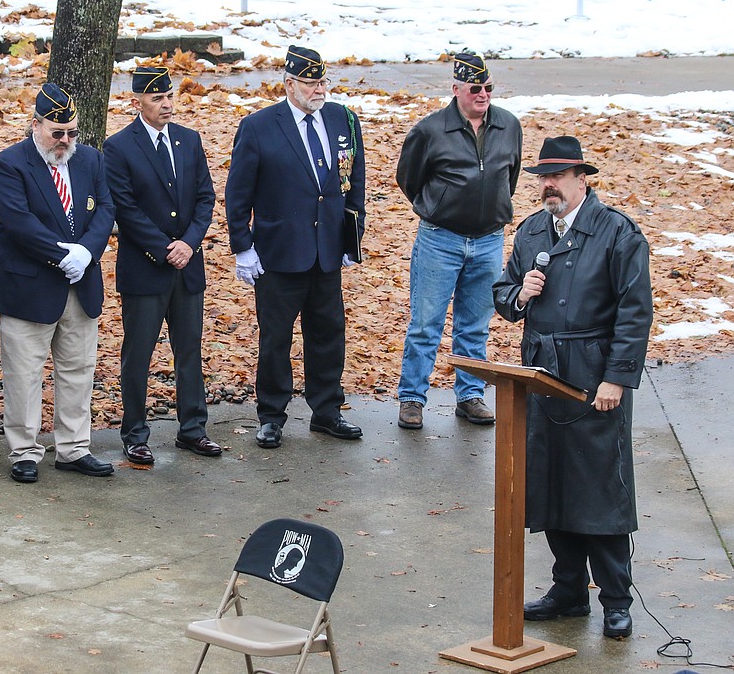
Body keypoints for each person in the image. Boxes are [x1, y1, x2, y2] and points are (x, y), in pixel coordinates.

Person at [492, 136, 653, 639]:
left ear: (583, 178)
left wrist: (616, 378)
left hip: (592, 374)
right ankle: (568, 591)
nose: (547, 186)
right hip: (542, 372)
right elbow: (503, 292)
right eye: (542, 177)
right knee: (553, 482)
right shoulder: (532, 230)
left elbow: (635, 312)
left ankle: (615, 598)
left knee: (599, 488)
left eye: (557, 177)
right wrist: (521, 294)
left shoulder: (616, 232)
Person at [224, 45, 365, 449]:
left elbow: (354, 180)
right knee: (276, 339)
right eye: (310, 82)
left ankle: (326, 410)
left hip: (326, 251)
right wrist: (242, 246)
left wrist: (351, 236)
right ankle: (271, 414)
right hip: (279, 252)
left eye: (322, 81)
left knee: (327, 334)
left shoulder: (343, 119)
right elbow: (239, 193)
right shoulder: (259, 126)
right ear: (289, 83)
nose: (319, 89)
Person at [0, 83, 116, 483]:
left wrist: (88, 252)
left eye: (72, 133)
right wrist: (65, 255)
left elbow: (107, 208)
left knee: (78, 368)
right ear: (36, 125)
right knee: (24, 373)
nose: (65, 141)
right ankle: (24, 451)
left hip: (80, 285)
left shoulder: (91, 160)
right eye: (57, 133)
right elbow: (18, 221)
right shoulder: (10, 163)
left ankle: (74, 447)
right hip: (30, 284)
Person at [395, 51, 522, 430]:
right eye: (475, 88)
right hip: (440, 239)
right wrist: (440, 207)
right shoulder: (431, 130)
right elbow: (409, 179)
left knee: (475, 324)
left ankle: (470, 395)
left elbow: (509, 176)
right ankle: (413, 398)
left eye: (488, 88)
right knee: (425, 323)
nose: (483, 95)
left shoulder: (509, 126)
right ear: (456, 89)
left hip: (488, 240)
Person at [104, 67, 220, 465]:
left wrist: (188, 244)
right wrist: (163, 248)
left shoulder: (189, 140)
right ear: (138, 101)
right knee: (138, 354)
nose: (167, 104)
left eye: (170, 96)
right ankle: (135, 432)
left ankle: (193, 428)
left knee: (189, 350)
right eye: (157, 99)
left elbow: (205, 198)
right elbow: (125, 208)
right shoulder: (119, 147)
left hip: (187, 267)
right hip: (145, 268)